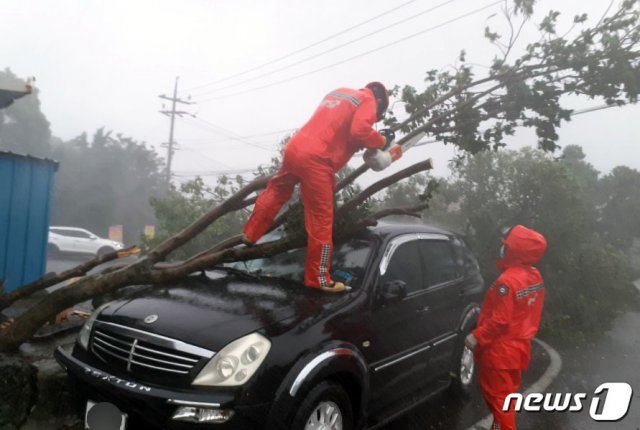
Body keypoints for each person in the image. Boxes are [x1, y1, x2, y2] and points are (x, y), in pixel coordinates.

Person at [242, 82, 400, 293]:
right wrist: (381, 140)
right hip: (317, 160)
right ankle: (318, 278)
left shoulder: (341, 92)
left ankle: (251, 233)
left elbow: (336, 127)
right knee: (321, 221)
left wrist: (362, 141)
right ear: (380, 102)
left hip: (296, 147)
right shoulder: (369, 100)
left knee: (277, 190)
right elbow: (360, 130)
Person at [465, 225, 547, 430]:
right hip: (518, 349)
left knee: (499, 401)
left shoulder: (507, 281)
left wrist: (476, 336)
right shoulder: (534, 276)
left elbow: (500, 320)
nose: (502, 248)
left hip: (500, 351)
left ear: (515, 250)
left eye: (506, 245)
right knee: (506, 399)